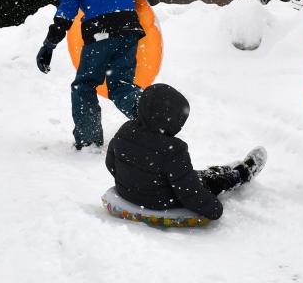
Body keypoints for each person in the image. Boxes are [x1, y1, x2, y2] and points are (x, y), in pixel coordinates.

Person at [36, 0, 150, 149]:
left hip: (100, 33)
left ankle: (89, 141)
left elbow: (67, 11)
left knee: (85, 86)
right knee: (122, 86)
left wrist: (49, 44)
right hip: (129, 30)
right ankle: (151, 121)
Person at [106, 83, 266, 221]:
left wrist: (133, 182)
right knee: (208, 182)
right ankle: (241, 173)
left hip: (127, 192)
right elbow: (189, 193)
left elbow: (111, 163)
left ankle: (219, 170)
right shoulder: (173, 150)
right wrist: (214, 209)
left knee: (187, 176)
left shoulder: (125, 131)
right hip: (161, 201)